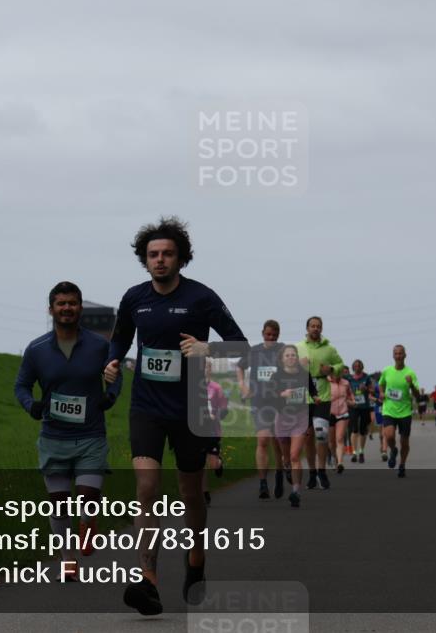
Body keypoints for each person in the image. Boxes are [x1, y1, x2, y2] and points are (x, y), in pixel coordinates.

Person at [104, 216, 248, 616]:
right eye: (153, 254)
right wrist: (112, 362)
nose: (161, 260)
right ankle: (148, 582)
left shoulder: (202, 297)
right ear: (144, 260)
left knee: (190, 497)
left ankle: (196, 561)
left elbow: (241, 346)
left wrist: (207, 349)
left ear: (181, 258)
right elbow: (119, 339)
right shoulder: (134, 298)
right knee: (146, 489)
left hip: (191, 409)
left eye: (168, 253)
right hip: (146, 407)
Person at [14, 281, 122, 581]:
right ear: (51, 309)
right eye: (61, 303)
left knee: (88, 494)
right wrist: (30, 405)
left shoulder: (100, 346)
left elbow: (116, 376)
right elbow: (21, 385)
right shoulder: (36, 349)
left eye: (72, 303)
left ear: (80, 308)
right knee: (59, 503)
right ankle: (68, 559)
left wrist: (109, 396)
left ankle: (88, 523)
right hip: (54, 437)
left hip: (91, 435)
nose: (66, 308)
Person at [236, 320, 287, 500]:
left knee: (279, 442)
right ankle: (263, 482)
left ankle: (280, 472)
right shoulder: (254, 351)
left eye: (274, 335)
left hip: (280, 402)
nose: (271, 338)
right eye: (268, 334)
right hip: (259, 401)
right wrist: (242, 386)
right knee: (263, 439)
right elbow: (240, 367)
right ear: (262, 333)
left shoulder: (283, 350)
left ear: (278, 335)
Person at [296, 316, 344, 491]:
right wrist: (298, 365)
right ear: (307, 328)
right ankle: (312, 472)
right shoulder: (299, 347)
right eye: (312, 326)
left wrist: (331, 369)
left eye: (318, 326)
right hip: (304, 397)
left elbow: (340, 364)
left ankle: (322, 470)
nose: (315, 329)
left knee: (321, 434)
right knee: (308, 437)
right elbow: (286, 364)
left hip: (322, 395)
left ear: (321, 329)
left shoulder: (329, 349)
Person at [270, 344, 315, 508]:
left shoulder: (304, 374)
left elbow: (312, 389)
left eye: (293, 355)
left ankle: (296, 491)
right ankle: (286, 466)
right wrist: (282, 394)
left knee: (295, 455)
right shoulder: (276, 377)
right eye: (287, 355)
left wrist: (315, 397)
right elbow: (270, 396)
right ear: (282, 359)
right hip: (282, 419)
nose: (291, 358)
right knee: (287, 458)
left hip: (300, 417)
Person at [377, 344, 419, 478]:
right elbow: (381, 384)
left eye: (401, 353)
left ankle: (402, 465)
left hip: (405, 412)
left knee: (404, 442)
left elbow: (417, 395)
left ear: (405, 355)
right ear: (393, 356)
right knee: (389, 436)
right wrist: (382, 393)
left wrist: (411, 384)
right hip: (389, 409)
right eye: (396, 353)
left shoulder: (410, 373)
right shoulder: (387, 371)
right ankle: (393, 450)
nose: (398, 356)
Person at [203, 360, 228, 506]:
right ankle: (204, 493)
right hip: (196, 429)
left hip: (212, 430)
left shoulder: (216, 388)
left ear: (210, 370)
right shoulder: (191, 387)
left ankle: (219, 463)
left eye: (206, 367)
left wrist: (215, 416)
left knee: (212, 464)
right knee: (199, 463)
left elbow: (224, 409)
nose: (203, 370)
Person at [346, 360, 373, 463]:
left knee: (362, 430)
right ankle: (354, 452)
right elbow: (346, 390)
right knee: (354, 429)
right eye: (355, 366)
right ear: (353, 367)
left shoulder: (366, 377)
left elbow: (372, 391)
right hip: (354, 406)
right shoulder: (349, 378)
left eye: (359, 366)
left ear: (362, 367)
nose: (357, 367)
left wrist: (366, 388)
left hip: (364, 406)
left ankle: (361, 451)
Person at [328, 370, 355, 474]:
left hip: (343, 413)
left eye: (340, 373)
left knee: (339, 438)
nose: (337, 375)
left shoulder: (346, 383)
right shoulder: (326, 382)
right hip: (329, 413)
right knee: (331, 441)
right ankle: (334, 458)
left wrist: (352, 402)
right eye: (335, 373)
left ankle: (340, 463)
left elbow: (350, 396)